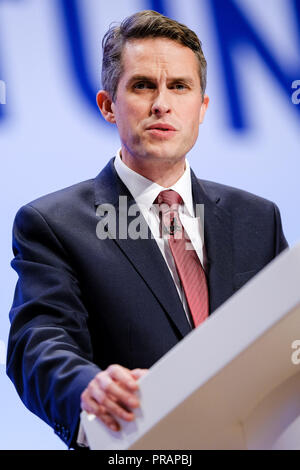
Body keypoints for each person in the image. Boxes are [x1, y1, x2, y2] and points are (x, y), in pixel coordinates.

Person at [6, 10, 288, 449]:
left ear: (203, 107)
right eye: (142, 86)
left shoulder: (258, 218)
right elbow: (38, 343)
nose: (162, 103)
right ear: (107, 106)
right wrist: (87, 388)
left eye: (179, 86)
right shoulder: (54, 225)